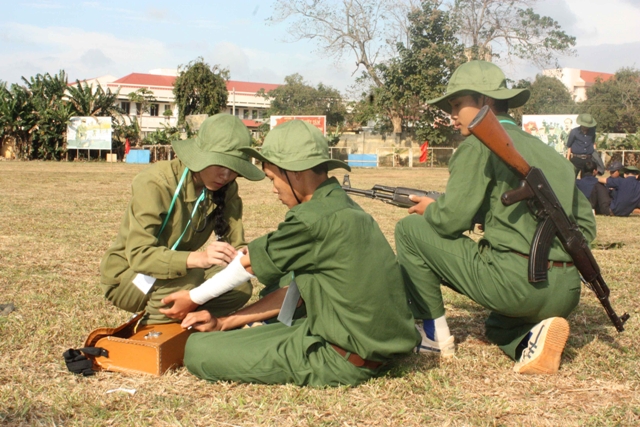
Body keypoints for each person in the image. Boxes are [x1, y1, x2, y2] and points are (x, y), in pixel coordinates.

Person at [166, 120, 419, 386]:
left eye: (273, 178)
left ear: (295, 172)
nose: (273, 188)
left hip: (339, 356)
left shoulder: (311, 218)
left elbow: (247, 265)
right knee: (284, 281)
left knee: (198, 350)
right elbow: (296, 290)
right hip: (368, 341)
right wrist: (224, 323)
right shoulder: (341, 205)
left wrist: (193, 297)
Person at [394, 60, 596, 374]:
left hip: (516, 287)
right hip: (566, 292)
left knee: (410, 229)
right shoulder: (551, 154)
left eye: (457, 104)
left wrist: (430, 208)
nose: (452, 113)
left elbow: (450, 220)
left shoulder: (477, 145)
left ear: (485, 102)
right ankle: (531, 340)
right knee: (498, 325)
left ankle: (433, 336)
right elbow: (586, 227)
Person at [99, 114, 265, 325]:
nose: (226, 175)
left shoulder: (226, 189)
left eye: (234, 168)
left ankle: (188, 324)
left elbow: (236, 244)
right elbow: (139, 255)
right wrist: (201, 259)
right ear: (200, 156)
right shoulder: (156, 183)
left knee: (239, 286)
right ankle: (150, 334)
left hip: (178, 271)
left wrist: (244, 255)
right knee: (193, 279)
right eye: (220, 164)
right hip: (129, 276)